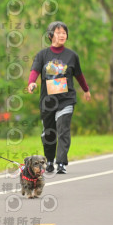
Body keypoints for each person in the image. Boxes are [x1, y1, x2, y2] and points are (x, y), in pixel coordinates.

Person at [27, 21, 91, 174]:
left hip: (66, 99)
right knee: (49, 133)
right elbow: (35, 71)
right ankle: (49, 160)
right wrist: (31, 83)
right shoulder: (42, 55)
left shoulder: (72, 56)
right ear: (50, 35)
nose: (62, 35)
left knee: (63, 129)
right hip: (48, 101)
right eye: (58, 32)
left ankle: (61, 163)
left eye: (64, 33)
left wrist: (86, 90)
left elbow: (79, 75)